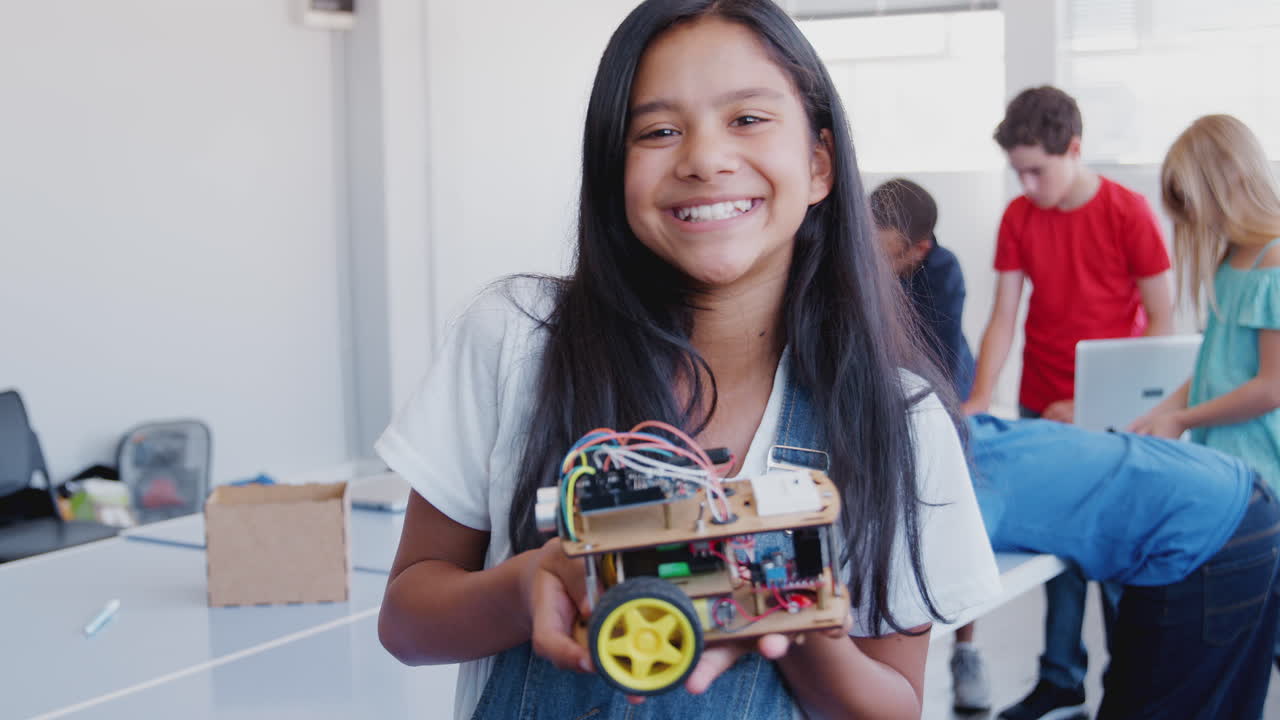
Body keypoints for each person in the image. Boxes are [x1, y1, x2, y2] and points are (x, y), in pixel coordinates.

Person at [374, 2, 1001, 719]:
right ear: (616, 171)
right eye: (659, 131)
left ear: (820, 164)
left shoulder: (898, 420)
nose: (704, 158)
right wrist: (526, 587)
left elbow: (897, 705)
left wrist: (786, 613)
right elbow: (406, 619)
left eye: (748, 119)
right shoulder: (515, 340)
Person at [961, 86, 1175, 720]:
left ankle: (1128, 688)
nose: (1027, 184)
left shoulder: (1128, 213)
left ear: (1074, 150)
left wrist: (1084, 401)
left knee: (1110, 554)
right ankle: (1060, 680)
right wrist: (977, 397)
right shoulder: (1019, 219)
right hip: (1037, 405)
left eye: (1037, 169)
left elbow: (1163, 323)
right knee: (1055, 554)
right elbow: (1003, 317)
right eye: (1018, 171)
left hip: (1108, 412)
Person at [970, 414, 1280, 719]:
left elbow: (945, 556)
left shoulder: (965, 482)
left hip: (1202, 534)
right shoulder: (982, 431)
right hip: (1243, 495)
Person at [1131, 114, 1280, 671]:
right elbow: (1215, 367)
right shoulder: (1229, 260)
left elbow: (1271, 386)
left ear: (1228, 182)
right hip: (1227, 471)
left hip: (1266, 473)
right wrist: (1162, 415)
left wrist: (1185, 416)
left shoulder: (1274, 260)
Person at [869, 178, 988, 711]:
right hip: (885, 382)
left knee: (950, 513)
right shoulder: (860, 260)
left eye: (886, 252)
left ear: (918, 249)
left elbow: (933, 362)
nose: (874, 259)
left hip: (939, 386)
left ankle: (966, 650)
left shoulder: (942, 272)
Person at [870, 178, 976, 401]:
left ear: (920, 249)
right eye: (867, 248)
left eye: (884, 257)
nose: (871, 264)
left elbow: (943, 362)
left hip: (943, 379)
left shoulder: (944, 272)